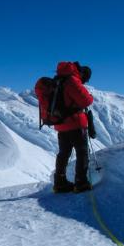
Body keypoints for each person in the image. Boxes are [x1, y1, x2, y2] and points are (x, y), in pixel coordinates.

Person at [53, 61, 94, 193]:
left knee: (63, 153)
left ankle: (60, 183)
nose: (84, 82)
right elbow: (86, 100)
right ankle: (81, 182)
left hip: (61, 124)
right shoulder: (72, 80)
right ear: (82, 74)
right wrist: (89, 96)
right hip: (76, 123)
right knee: (82, 152)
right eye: (85, 79)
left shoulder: (58, 80)